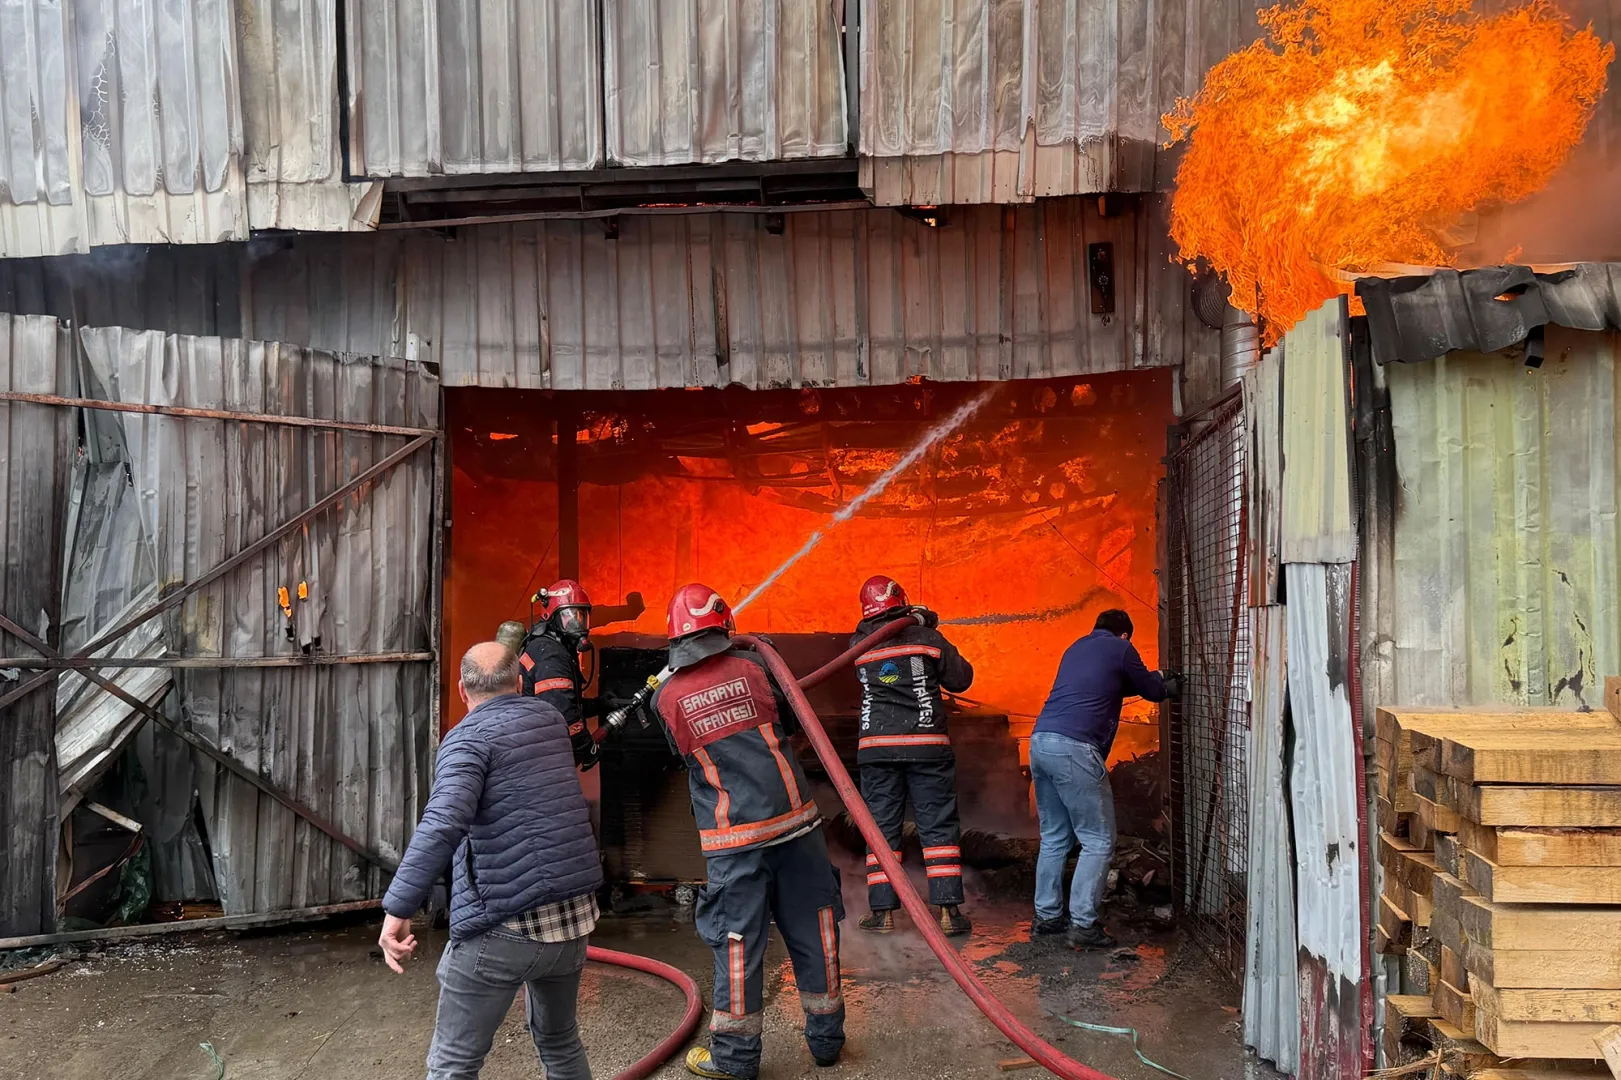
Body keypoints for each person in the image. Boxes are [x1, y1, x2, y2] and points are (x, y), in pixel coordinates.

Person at [378, 642, 603, 1080]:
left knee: (453, 1064)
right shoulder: (550, 721)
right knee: (560, 1043)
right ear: (519, 683)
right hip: (573, 922)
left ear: (462, 690)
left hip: (505, 925)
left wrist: (397, 909)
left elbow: (443, 822)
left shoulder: (466, 739)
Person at [647, 583, 844, 1080]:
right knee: (816, 929)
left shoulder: (665, 697)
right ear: (724, 623)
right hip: (796, 827)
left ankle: (735, 1060)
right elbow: (792, 722)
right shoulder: (758, 666)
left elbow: (682, 755)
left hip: (733, 842)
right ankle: (826, 1042)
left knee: (737, 946)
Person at [1028, 609, 1179, 950]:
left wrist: (1155, 678)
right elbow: (1149, 689)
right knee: (1097, 840)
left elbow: (1113, 685)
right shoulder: (1120, 647)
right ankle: (1083, 923)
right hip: (1075, 748)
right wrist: (1164, 686)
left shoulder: (1076, 648)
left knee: (1054, 837)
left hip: (1041, 742)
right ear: (1125, 634)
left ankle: (1047, 918)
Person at [847, 575, 975, 936]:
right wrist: (928, 629)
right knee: (938, 825)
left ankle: (882, 913)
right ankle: (948, 912)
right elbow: (961, 679)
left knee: (881, 829)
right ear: (901, 601)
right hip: (926, 745)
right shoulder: (926, 638)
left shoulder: (858, 643)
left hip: (876, 749)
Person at [518, 580, 601, 771]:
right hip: (542, 758)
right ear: (552, 617)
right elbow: (561, 710)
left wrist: (600, 704)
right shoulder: (551, 654)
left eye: (582, 616)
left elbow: (564, 700)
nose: (577, 624)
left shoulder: (548, 647)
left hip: (539, 749)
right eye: (569, 616)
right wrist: (585, 746)